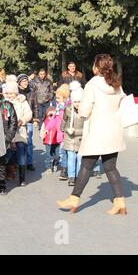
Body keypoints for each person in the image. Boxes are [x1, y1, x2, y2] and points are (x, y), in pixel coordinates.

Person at [57, 54, 128, 215]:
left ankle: (74, 198)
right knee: (110, 167)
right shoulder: (116, 83)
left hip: (97, 131)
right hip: (113, 131)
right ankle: (120, 202)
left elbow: (85, 110)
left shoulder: (92, 85)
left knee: (86, 166)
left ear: (96, 67)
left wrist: (80, 107)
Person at [3, 78, 33, 186]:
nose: (9, 95)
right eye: (7, 93)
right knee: (8, 153)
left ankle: (22, 177)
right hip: (7, 132)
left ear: (16, 92)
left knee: (21, 153)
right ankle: (8, 172)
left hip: (20, 131)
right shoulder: (3, 102)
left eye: (11, 93)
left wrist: (23, 120)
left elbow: (29, 114)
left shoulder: (22, 101)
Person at [60, 82, 85, 186]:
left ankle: (78, 176)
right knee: (71, 157)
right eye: (75, 102)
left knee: (79, 158)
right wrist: (63, 129)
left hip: (81, 137)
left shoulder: (85, 111)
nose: (77, 104)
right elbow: (64, 120)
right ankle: (71, 176)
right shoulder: (68, 109)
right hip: (70, 136)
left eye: (79, 101)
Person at [17, 74, 39, 171]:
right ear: (19, 83)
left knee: (29, 141)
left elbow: (35, 106)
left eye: (26, 81)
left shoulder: (32, 92)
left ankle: (29, 162)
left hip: (29, 120)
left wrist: (36, 119)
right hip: (18, 121)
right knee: (18, 142)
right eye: (23, 81)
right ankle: (18, 162)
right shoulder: (16, 92)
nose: (25, 83)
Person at [54, 84, 71, 181]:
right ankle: (65, 169)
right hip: (60, 134)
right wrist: (46, 128)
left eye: (58, 98)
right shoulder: (58, 107)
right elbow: (54, 119)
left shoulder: (68, 107)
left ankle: (66, 170)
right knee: (63, 152)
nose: (56, 100)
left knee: (65, 152)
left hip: (66, 133)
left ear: (65, 97)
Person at [40, 106, 64, 173]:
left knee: (57, 155)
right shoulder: (45, 121)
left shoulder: (58, 120)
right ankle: (49, 167)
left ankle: (55, 163)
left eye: (53, 114)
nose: (51, 115)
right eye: (50, 114)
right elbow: (43, 129)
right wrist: (42, 135)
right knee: (49, 155)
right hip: (47, 141)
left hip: (56, 141)